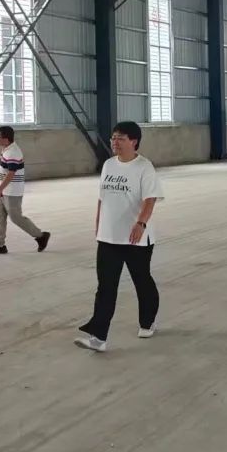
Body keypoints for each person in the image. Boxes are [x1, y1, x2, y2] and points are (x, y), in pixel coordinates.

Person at [75, 121, 164, 353]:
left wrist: (141, 223)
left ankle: (148, 321)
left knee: (142, 281)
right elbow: (101, 198)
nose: (115, 142)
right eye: (113, 137)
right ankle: (98, 338)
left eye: (120, 138)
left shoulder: (144, 167)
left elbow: (150, 199)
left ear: (134, 141)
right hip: (109, 237)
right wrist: (98, 223)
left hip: (136, 238)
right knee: (105, 287)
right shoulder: (108, 165)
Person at [0, 125, 51, 254]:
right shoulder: (6, 150)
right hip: (4, 191)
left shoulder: (13, 152)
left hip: (12, 192)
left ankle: (41, 236)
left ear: (6, 138)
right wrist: (0, 190)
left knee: (16, 218)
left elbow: (11, 173)